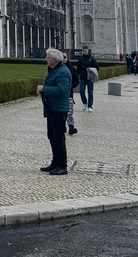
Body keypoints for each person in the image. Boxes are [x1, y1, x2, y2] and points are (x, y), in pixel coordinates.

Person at [37, 48, 71, 176]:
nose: (46, 59)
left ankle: (62, 166)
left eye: (47, 57)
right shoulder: (55, 70)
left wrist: (44, 88)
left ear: (54, 59)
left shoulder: (62, 72)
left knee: (58, 137)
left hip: (58, 109)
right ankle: (55, 162)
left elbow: (62, 90)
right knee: (52, 136)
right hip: (52, 108)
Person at [76, 47, 99, 112]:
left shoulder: (92, 59)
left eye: (85, 51)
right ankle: (84, 103)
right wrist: (77, 76)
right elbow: (78, 68)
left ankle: (90, 106)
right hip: (82, 78)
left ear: (88, 51)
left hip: (90, 78)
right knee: (81, 91)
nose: (84, 52)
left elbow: (97, 67)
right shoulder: (80, 59)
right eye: (83, 51)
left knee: (90, 93)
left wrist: (90, 69)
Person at [63, 52, 79, 135]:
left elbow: (76, 80)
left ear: (67, 58)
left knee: (70, 111)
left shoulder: (71, 67)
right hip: (60, 93)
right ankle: (62, 127)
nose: (63, 58)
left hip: (69, 93)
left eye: (64, 57)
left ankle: (71, 127)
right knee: (61, 111)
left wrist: (70, 86)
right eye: (61, 57)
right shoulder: (55, 67)